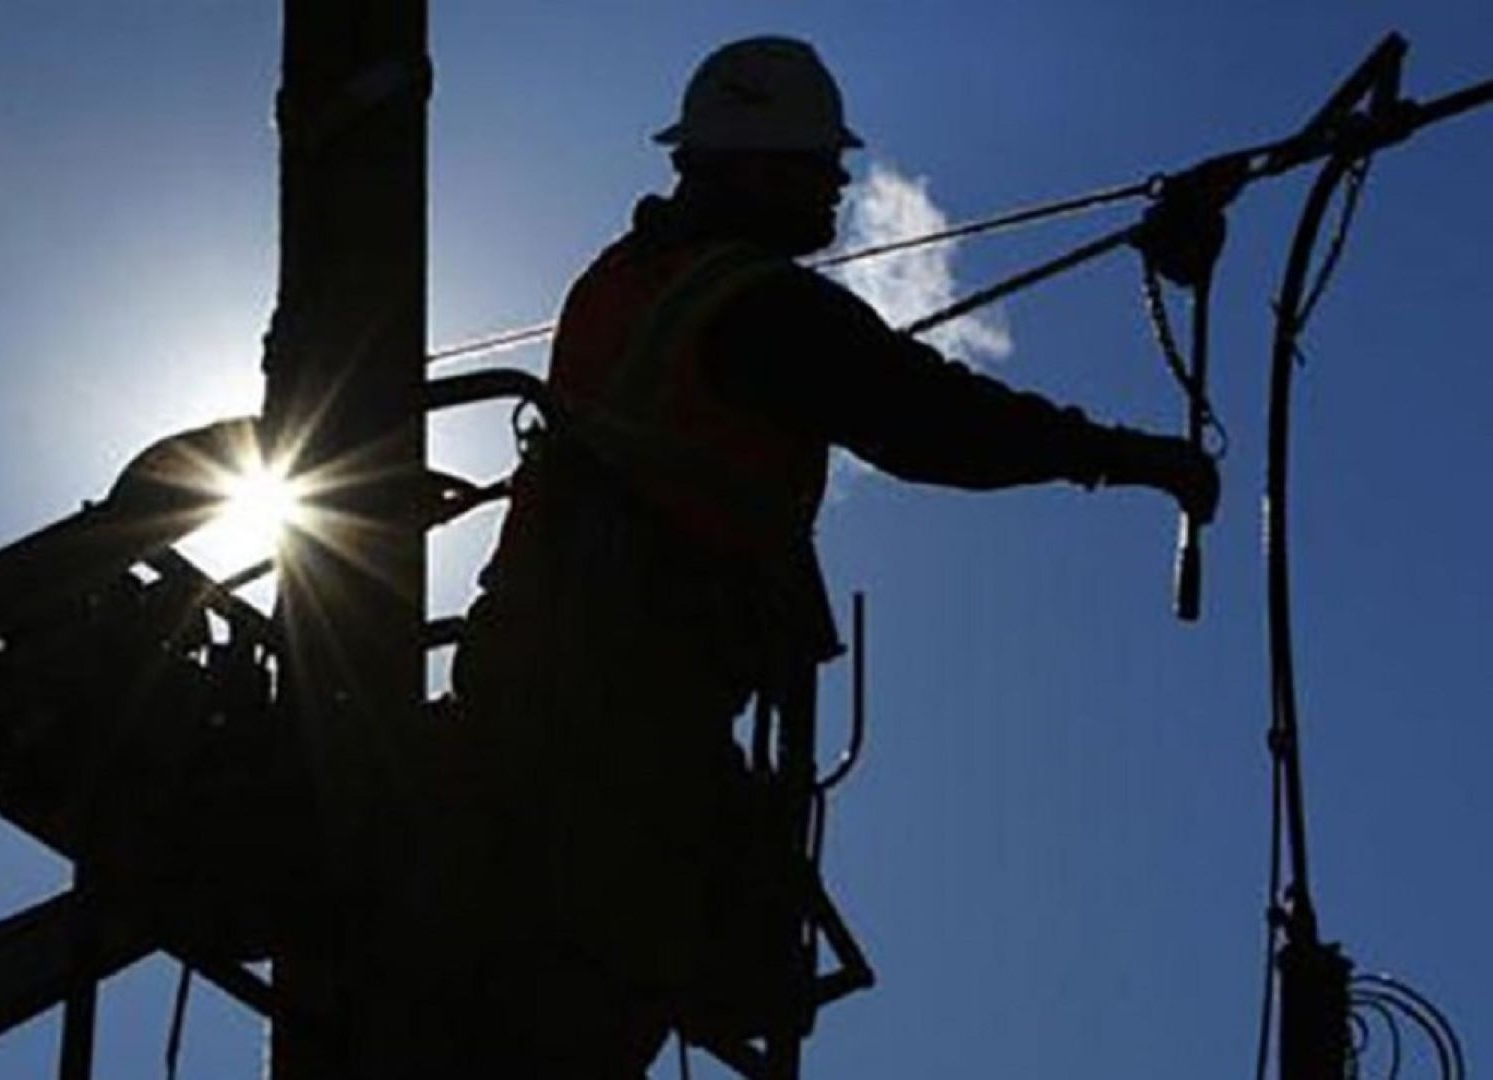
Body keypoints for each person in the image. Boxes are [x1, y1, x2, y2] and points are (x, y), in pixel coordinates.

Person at [444, 35, 1219, 1076]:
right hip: (626, 719)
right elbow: (933, 422)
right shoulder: (755, 308)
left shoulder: (620, 281)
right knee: (600, 993)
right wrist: (1126, 459)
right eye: (822, 172)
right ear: (761, 165)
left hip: (528, 678)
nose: (836, 195)